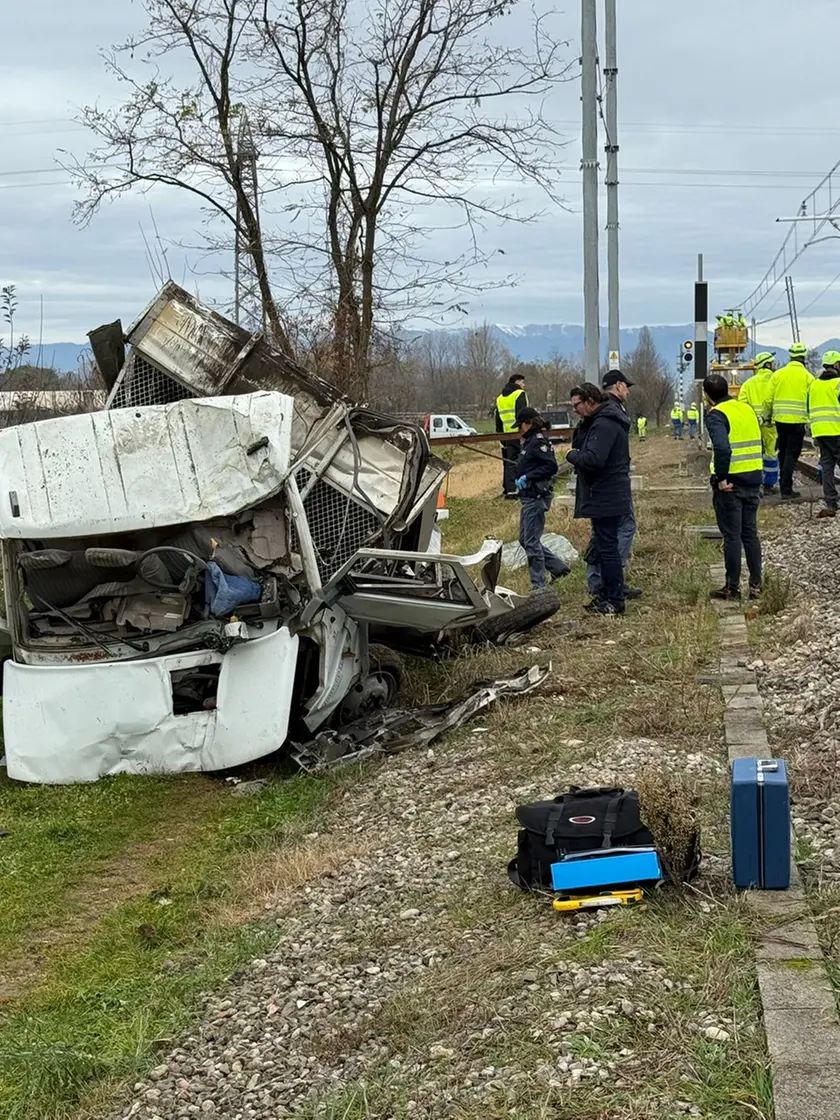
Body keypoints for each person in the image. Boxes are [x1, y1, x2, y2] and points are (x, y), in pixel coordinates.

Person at [567, 383, 632, 616]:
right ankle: (606, 594)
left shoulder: (604, 424)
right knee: (604, 547)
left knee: (608, 549)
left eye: (577, 405)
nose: (575, 410)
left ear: (590, 401)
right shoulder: (598, 422)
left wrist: (572, 455)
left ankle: (614, 599)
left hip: (606, 494)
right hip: (604, 493)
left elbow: (594, 459)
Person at [703, 374, 763, 601]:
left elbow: (722, 448)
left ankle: (732, 588)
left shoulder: (716, 414)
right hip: (753, 478)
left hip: (731, 484)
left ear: (707, 396)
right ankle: (756, 586)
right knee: (750, 534)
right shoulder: (747, 409)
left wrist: (721, 477)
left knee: (732, 536)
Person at [584, 371, 642, 606]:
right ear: (618, 386)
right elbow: (598, 456)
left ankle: (608, 581)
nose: (628, 390)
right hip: (611, 486)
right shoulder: (610, 412)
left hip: (610, 484)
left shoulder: (605, 412)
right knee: (618, 532)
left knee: (606, 534)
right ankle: (609, 582)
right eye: (626, 386)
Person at [513, 407, 570, 589]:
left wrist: (528, 476)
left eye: (520, 425)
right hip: (528, 496)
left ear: (529, 423)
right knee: (525, 539)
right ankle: (559, 568)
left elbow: (551, 466)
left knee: (531, 542)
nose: (519, 429)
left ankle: (539, 585)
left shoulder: (537, 442)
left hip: (536, 496)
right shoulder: (530, 441)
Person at [770, 341, 814, 500]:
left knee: (782, 453)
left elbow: (768, 398)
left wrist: (768, 416)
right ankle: (786, 489)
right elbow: (811, 400)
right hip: (797, 421)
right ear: (804, 357)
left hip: (780, 421)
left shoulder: (777, 375)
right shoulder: (808, 377)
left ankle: (783, 485)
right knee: (791, 454)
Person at [739, 352, 779, 494]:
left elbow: (742, 405)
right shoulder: (776, 381)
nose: (774, 365)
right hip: (772, 424)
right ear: (768, 364)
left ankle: (755, 484)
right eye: (773, 363)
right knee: (771, 454)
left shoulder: (748, 384)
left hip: (754, 425)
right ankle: (770, 484)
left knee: (755, 454)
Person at [807, 350, 840, 519]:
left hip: (820, 432)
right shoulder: (838, 383)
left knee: (827, 467)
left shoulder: (814, 385)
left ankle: (831, 502)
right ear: (836, 365)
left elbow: (808, 407)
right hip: (836, 430)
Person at [495, 373, 528, 499]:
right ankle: (515, 490)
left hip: (505, 434)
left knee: (507, 462)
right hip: (517, 433)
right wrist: (524, 433)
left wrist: (500, 436)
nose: (524, 385)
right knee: (517, 461)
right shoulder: (519, 394)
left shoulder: (500, 398)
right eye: (522, 382)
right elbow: (522, 414)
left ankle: (508, 489)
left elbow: (498, 419)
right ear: (517, 382)